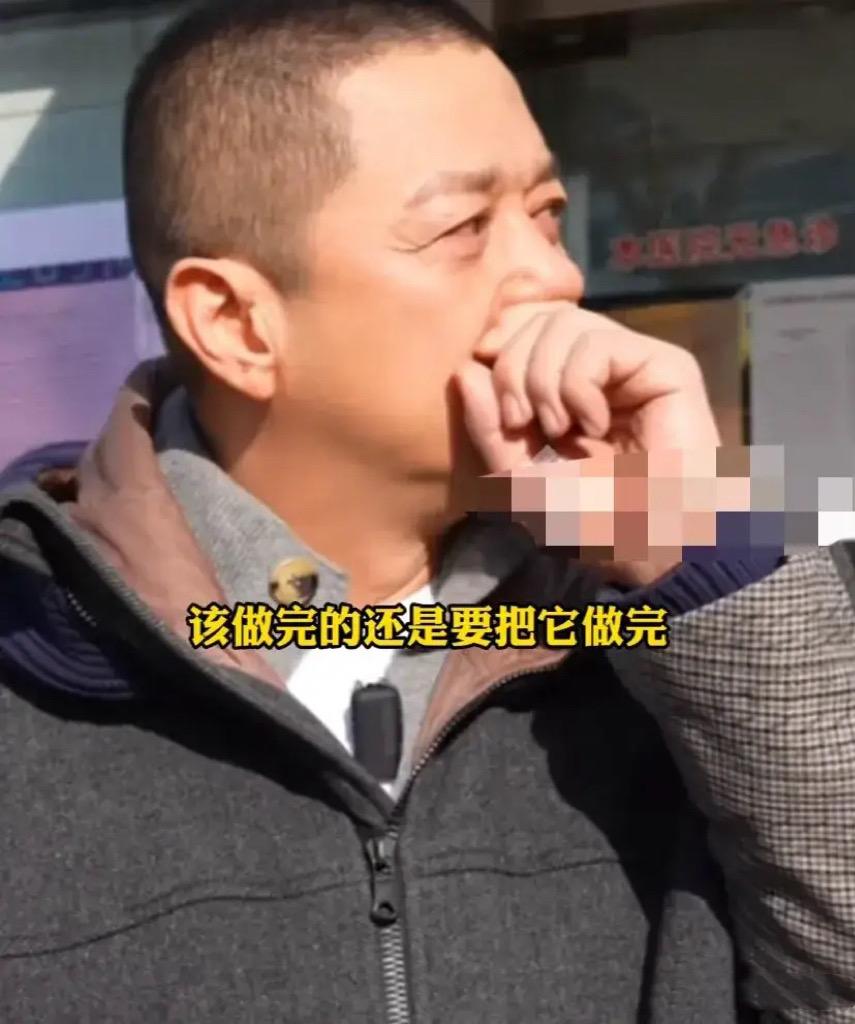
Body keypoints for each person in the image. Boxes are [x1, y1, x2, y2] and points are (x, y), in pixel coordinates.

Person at [0, 2, 851, 1021]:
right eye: (462, 229)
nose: (557, 276)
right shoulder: (42, 646)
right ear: (235, 324)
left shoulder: (672, 636)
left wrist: (698, 559)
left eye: (546, 213)